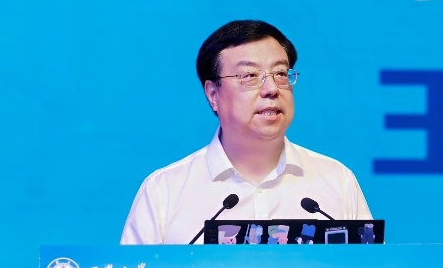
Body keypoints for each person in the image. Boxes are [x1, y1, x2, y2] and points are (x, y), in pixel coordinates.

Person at [120, 20, 372, 244]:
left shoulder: (336, 180)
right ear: (213, 94)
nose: (272, 89)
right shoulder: (164, 191)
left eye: (280, 74)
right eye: (250, 76)